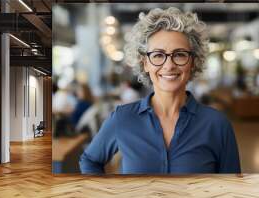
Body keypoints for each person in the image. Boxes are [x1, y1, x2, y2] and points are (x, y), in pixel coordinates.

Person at [79, 7, 241, 174]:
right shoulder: (122, 119)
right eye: (157, 55)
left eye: (179, 54)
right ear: (145, 63)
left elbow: (231, 188)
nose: (169, 65)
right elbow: (90, 160)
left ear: (193, 62)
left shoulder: (217, 125)